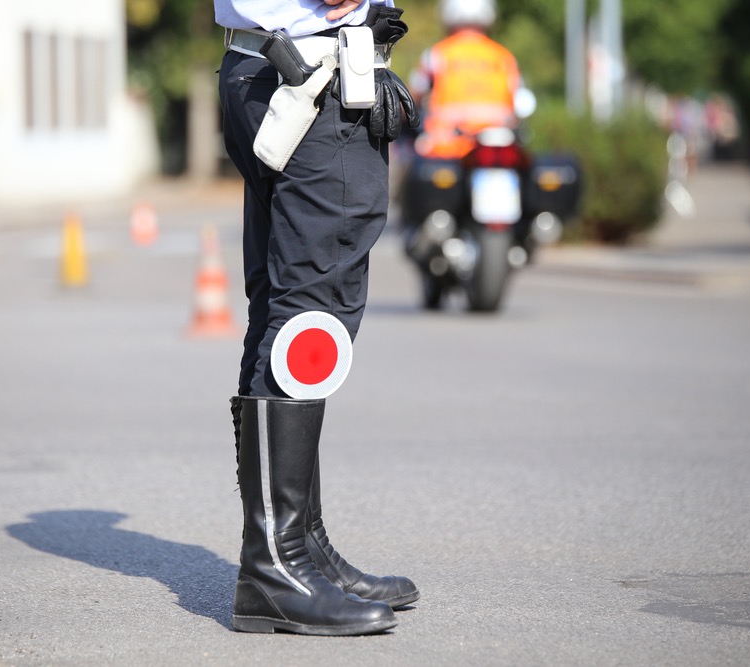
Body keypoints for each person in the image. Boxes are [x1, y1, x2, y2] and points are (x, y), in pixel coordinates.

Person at [215, 0, 420, 636]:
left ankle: (297, 546)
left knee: (285, 312)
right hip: (305, 79)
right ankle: (278, 565)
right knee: (309, 322)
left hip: (271, 70)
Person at [409, 0, 521, 160]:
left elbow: (413, 96)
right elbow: (518, 101)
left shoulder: (437, 54)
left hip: (447, 146)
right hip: (498, 147)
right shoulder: (503, 56)